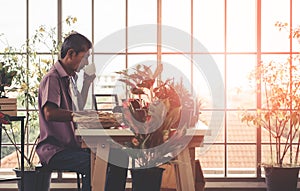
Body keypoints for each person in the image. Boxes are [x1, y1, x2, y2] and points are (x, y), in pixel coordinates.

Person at [36, 32, 128, 191]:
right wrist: (78, 116)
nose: (86, 63)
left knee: (120, 157)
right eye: (85, 57)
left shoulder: (69, 78)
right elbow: (50, 113)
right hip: (55, 150)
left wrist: (86, 83)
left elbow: (77, 105)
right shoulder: (53, 78)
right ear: (71, 54)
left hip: (71, 146)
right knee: (95, 164)